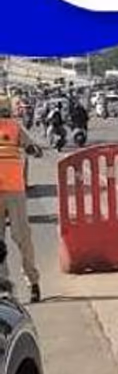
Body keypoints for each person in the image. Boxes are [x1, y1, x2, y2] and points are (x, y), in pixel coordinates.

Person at [0, 96, 42, 302]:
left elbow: (32, 147)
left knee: (22, 237)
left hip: (14, 189)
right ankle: (4, 285)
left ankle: (32, 282)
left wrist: (32, 149)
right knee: (20, 238)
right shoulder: (14, 126)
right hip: (12, 191)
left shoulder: (14, 128)